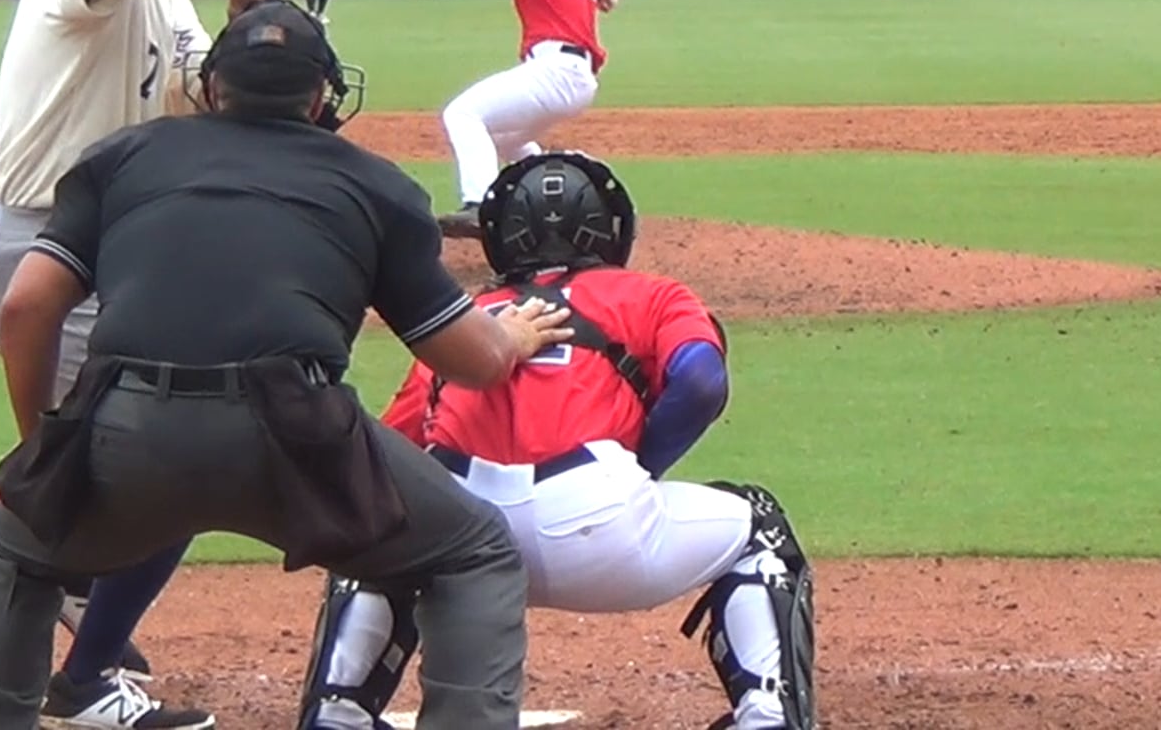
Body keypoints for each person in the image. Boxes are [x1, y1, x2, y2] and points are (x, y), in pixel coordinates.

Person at [0, 0, 574, 730]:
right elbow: (471, 361)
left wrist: (38, 459)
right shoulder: (374, 183)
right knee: (474, 555)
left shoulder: (125, 156)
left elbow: (25, 308)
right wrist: (513, 337)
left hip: (126, 431)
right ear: (320, 96)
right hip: (300, 443)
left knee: (12, 554)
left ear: (212, 87)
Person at [0, 0, 290, 728]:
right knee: (178, 458)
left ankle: (72, 572)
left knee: (164, 457)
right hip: (44, 257)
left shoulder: (173, 0)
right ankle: (80, 652)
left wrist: (246, 4)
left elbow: (216, 99)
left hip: (111, 266)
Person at [297, 152, 817, 730]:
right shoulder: (651, 294)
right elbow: (700, 379)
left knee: (381, 525)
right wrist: (639, 464)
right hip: (601, 529)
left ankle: (336, 713)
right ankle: (768, 716)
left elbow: (392, 448)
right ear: (611, 226)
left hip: (459, 541)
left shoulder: (467, 319)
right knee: (760, 525)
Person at [395, 0, 636, 238]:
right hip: (573, 75)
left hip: (556, 71)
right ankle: (567, 202)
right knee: (506, 142)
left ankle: (482, 205)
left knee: (462, 114)